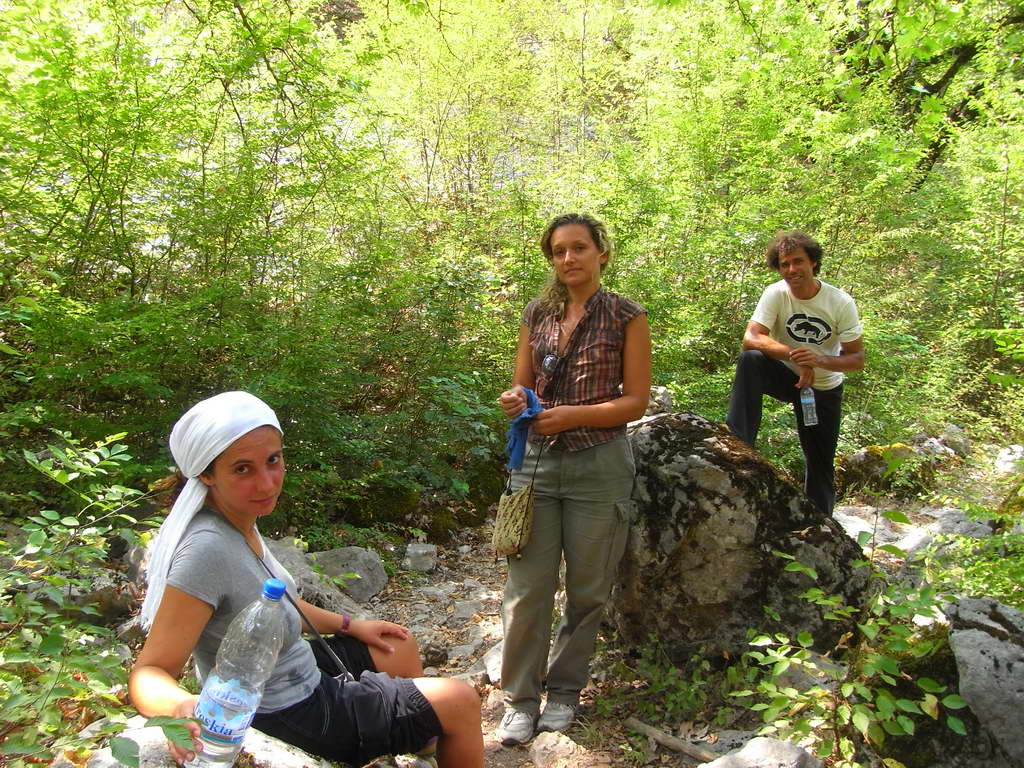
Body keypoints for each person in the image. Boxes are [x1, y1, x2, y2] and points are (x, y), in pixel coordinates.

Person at [128, 391, 483, 768]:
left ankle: (421, 744)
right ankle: (430, 731)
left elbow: (273, 600)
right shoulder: (207, 550)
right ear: (205, 474)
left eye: (273, 460)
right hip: (285, 709)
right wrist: (182, 706)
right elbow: (150, 671)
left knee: (399, 646)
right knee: (460, 701)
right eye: (243, 469)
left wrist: (352, 625)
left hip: (294, 668)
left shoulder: (237, 519)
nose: (266, 484)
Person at [496, 213, 652, 746]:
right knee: (527, 590)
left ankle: (564, 693)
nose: (569, 259)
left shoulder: (626, 315)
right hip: (536, 465)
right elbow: (521, 385)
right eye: (559, 251)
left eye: (579, 248)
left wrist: (572, 415)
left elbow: (636, 401)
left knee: (587, 590)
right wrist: (516, 400)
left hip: (600, 465)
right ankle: (519, 700)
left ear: (601, 252)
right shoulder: (537, 314)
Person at [727, 231, 865, 515]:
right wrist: (794, 356)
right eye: (784, 264)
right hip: (785, 375)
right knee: (751, 360)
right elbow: (751, 338)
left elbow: (856, 358)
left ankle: (821, 528)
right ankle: (739, 442)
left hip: (822, 387)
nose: (791, 270)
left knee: (820, 462)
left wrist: (818, 361)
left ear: (813, 262)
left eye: (798, 261)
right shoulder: (775, 293)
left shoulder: (839, 302)